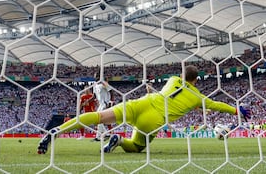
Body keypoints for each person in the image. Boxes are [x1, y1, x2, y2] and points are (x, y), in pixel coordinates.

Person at [37, 65, 251, 154]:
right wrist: (237, 111)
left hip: (142, 102)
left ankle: (58, 131)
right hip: (153, 119)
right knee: (137, 147)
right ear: (196, 80)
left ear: (182, 75)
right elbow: (217, 105)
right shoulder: (198, 96)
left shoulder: (174, 79)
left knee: (99, 117)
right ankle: (119, 141)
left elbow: (172, 89)